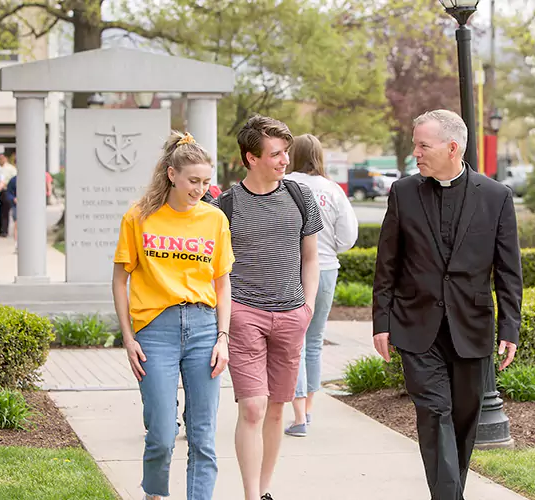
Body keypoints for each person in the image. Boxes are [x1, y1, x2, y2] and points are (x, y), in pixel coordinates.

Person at [372, 110, 523, 500]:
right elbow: (387, 262)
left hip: (472, 328)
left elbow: (509, 271)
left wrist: (510, 328)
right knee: (434, 413)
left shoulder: (496, 196)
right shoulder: (403, 192)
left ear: (452, 147)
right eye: (415, 144)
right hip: (415, 326)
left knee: (462, 422)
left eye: (423, 145)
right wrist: (381, 320)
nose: (415, 153)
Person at [111, 131, 234, 500]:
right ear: (171, 174)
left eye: (206, 182)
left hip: (203, 329)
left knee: (202, 434)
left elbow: (223, 285)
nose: (200, 189)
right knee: (162, 434)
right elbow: (120, 281)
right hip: (154, 332)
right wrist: (128, 338)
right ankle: (154, 493)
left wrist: (223, 338)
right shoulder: (138, 217)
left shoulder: (214, 220)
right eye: (193, 181)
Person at [213, 115, 322, 500]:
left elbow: (311, 258)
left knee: (277, 408)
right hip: (245, 315)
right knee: (254, 408)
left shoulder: (299, 196)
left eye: (286, 153)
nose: (284, 161)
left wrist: (307, 308)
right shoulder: (224, 205)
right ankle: (248, 495)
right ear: (251, 157)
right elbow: (216, 270)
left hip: (292, 315)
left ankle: (263, 491)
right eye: (276, 154)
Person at [283, 134, 358, 437]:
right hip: (326, 268)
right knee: (314, 341)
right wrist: (331, 248)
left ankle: (298, 414)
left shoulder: (285, 185)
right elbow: (349, 235)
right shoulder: (332, 190)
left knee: (293, 344)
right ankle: (309, 409)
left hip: (289, 269)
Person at [0, 153, 17, 237]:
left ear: (6, 158)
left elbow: (13, 180)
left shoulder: (11, 169)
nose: (1, 160)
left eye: (2, 158)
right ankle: (0, 229)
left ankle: (4, 230)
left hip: (6, 191)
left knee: (5, 212)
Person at [5, 175, 18, 252]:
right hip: (16, 205)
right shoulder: (13, 180)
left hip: (29, 207)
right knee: (17, 223)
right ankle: (17, 244)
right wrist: (13, 198)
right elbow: (9, 193)